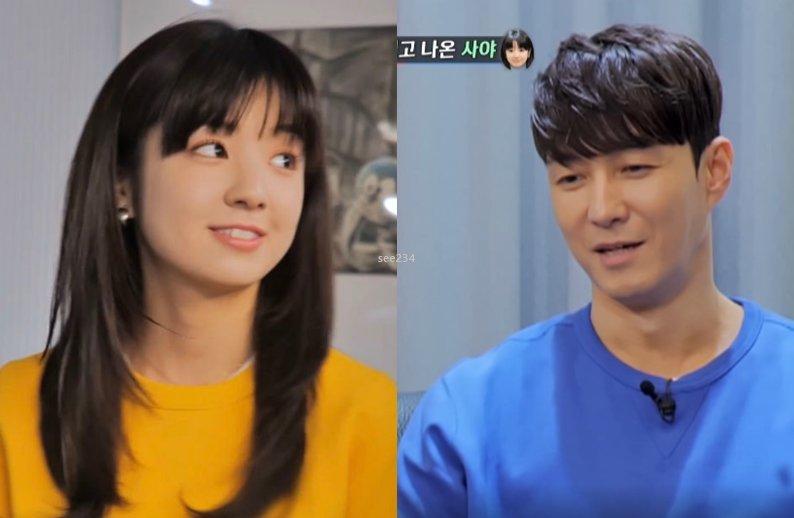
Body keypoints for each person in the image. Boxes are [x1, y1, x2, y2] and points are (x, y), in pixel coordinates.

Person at [0, 19, 395, 518]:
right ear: (122, 184)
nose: (253, 192)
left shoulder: (365, 415)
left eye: (284, 159)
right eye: (212, 149)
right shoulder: (13, 410)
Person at [398, 23, 794, 517]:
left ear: (714, 171)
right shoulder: (468, 417)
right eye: (571, 178)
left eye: (635, 169)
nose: (602, 210)